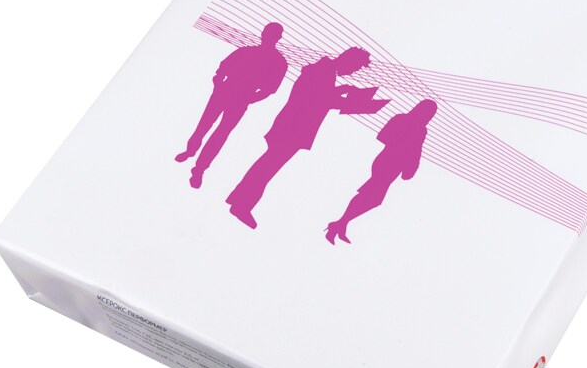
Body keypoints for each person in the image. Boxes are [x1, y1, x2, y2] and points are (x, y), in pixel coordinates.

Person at [226, 47, 379, 229]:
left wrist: (340, 91)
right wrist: (354, 102)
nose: (353, 72)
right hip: (293, 128)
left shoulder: (324, 70)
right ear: (348, 61)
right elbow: (318, 100)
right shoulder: (324, 72)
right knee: (267, 168)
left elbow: (318, 95)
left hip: (291, 127)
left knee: (266, 166)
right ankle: (241, 205)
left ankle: (238, 200)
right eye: (355, 67)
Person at [175, 22, 288, 188]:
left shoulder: (277, 61)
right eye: (266, 32)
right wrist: (219, 83)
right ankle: (192, 153)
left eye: (270, 34)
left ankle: (199, 168)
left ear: (277, 37)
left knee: (219, 132)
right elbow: (223, 68)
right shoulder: (252, 53)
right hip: (226, 92)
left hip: (239, 97)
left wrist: (249, 98)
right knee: (206, 126)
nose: (266, 36)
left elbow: (270, 89)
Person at [325, 99, 437, 245]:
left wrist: (410, 166)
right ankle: (340, 224)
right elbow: (385, 137)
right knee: (372, 196)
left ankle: (340, 224)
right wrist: (403, 149)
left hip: (394, 166)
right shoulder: (403, 120)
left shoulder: (420, 129)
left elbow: (416, 151)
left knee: (373, 198)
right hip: (387, 161)